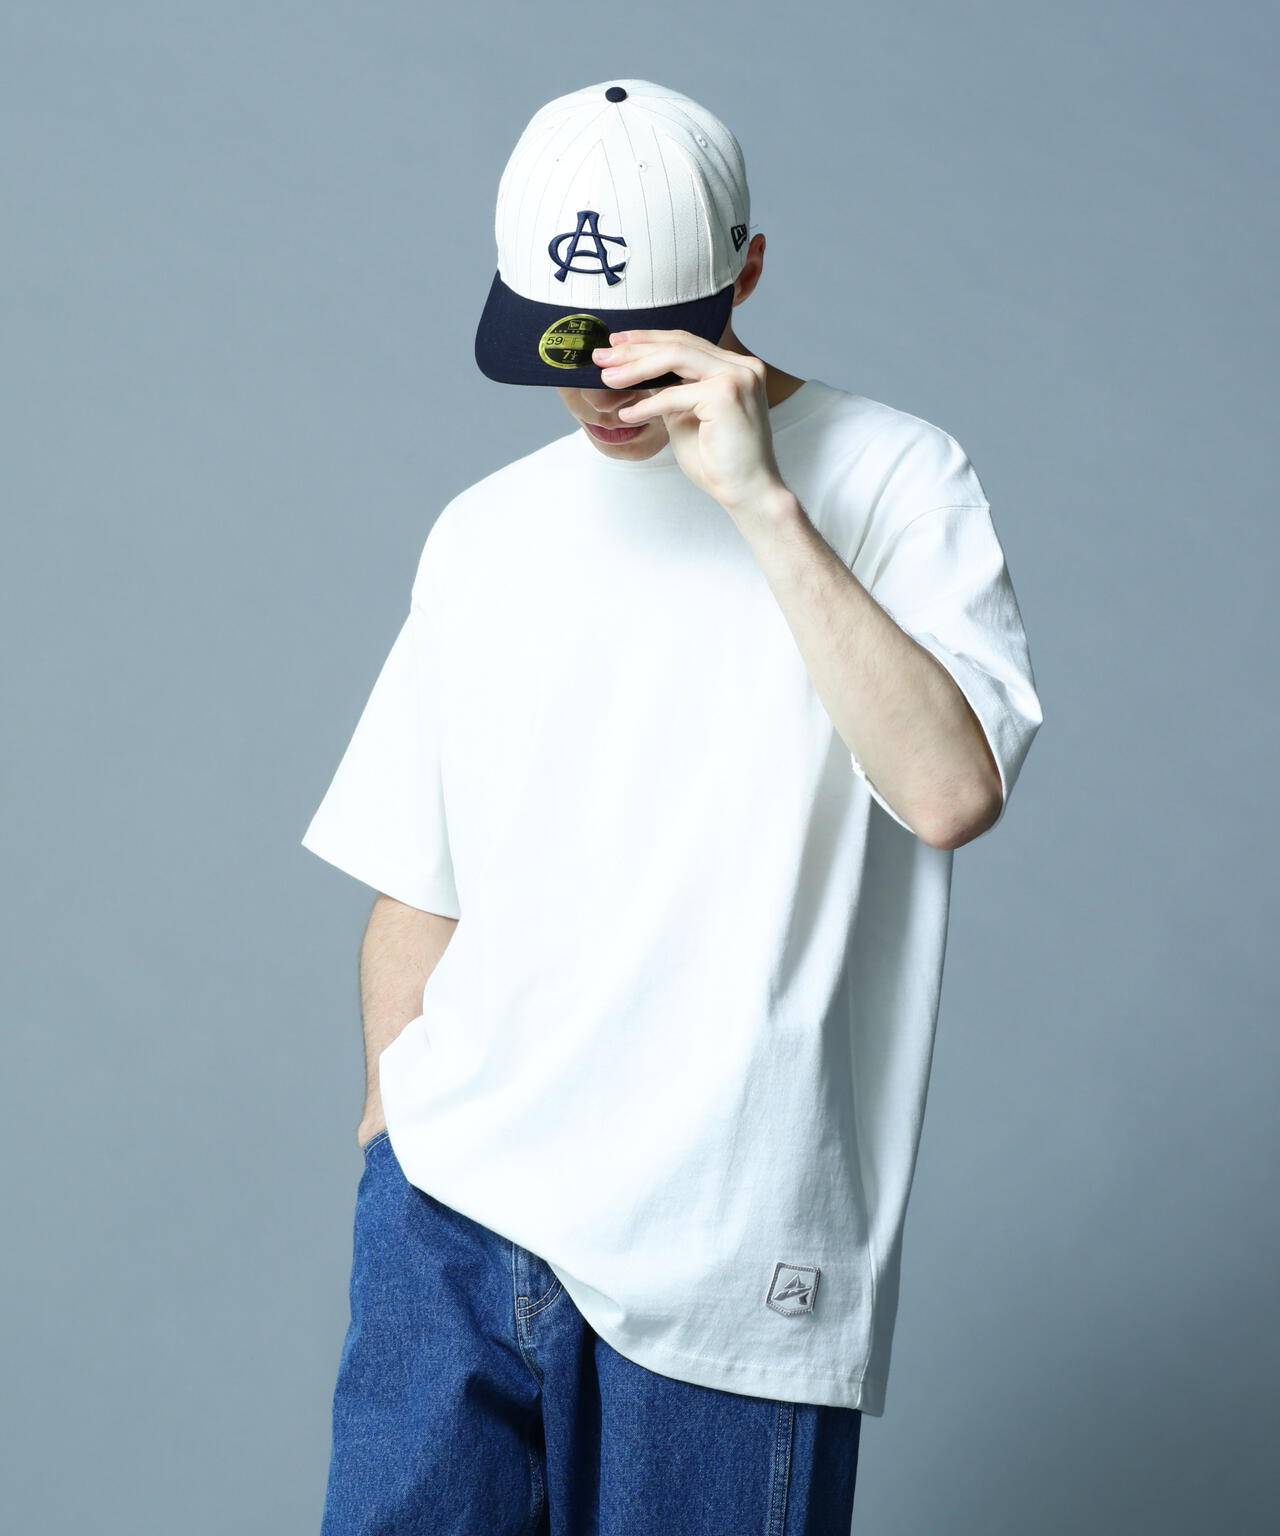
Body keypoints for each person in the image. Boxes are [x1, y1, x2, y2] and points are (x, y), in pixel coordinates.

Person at [300, 78, 1043, 1536]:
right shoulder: (487, 531)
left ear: (746, 271)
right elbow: (418, 872)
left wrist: (760, 501)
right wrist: (396, 1146)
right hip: (453, 1221)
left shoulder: (898, 476)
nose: (599, 390)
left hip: (728, 1239)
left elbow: (951, 792)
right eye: (559, 344)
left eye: (637, 344)